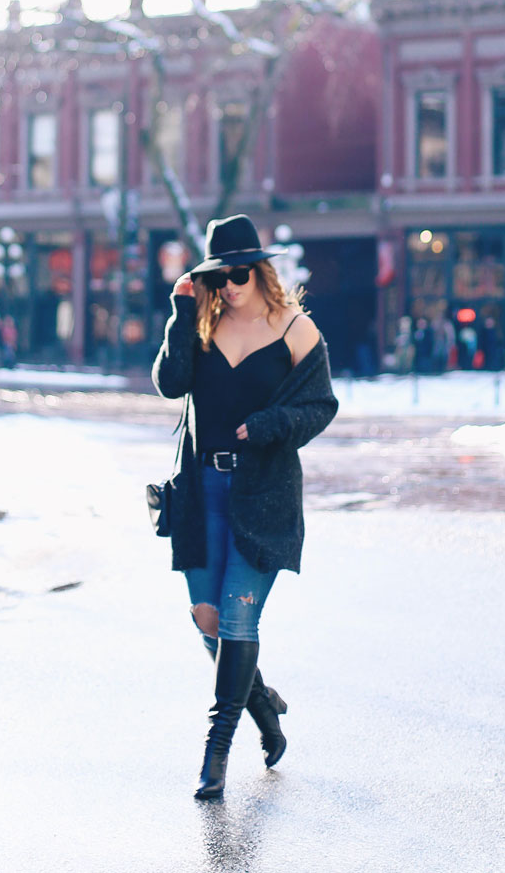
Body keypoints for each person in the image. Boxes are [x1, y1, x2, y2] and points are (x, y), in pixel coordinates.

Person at [151, 213, 338, 801]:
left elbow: (321, 406)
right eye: (218, 277)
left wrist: (268, 425)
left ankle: (217, 749)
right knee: (208, 620)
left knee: (237, 620)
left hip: (263, 496)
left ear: (259, 271)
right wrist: (182, 313)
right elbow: (169, 382)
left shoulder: (293, 328)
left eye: (238, 274)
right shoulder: (201, 324)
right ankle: (261, 700)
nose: (230, 286)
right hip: (201, 492)